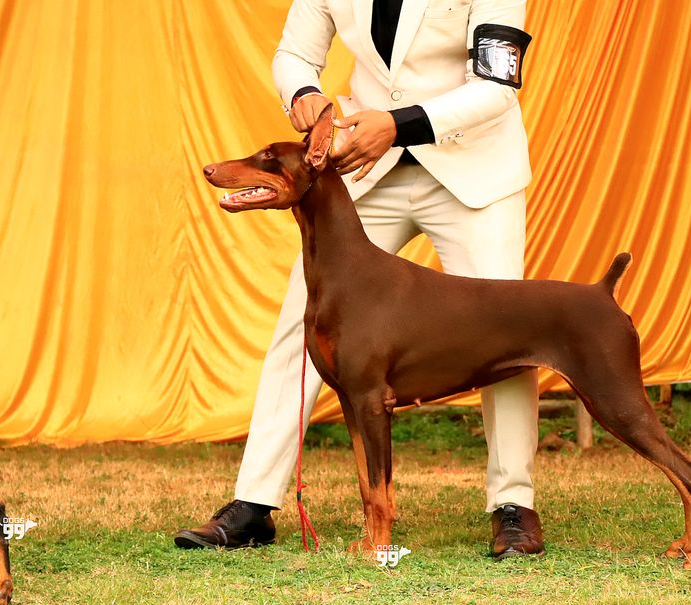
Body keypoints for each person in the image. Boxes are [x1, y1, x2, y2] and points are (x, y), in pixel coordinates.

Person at [175, 0, 543, 559]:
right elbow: (294, 55)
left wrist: (396, 125)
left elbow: (495, 89)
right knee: (301, 327)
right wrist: (305, 94)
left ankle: (512, 505)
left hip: (474, 170)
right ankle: (254, 502)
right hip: (363, 174)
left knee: (509, 334)